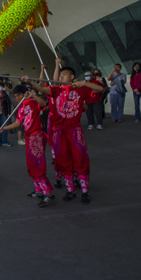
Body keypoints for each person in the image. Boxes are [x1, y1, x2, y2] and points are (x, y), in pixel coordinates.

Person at [27, 58, 103, 203]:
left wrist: (84, 83)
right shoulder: (56, 90)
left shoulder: (80, 89)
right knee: (63, 160)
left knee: (80, 159)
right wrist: (30, 82)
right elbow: (43, 89)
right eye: (60, 75)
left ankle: (85, 191)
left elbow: (100, 89)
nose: (61, 77)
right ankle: (70, 190)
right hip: (59, 131)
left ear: (72, 77)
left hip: (75, 130)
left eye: (64, 75)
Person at [0, 82, 52, 206]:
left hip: (37, 136)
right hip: (29, 137)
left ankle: (47, 193)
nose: (16, 98)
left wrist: (32, 95)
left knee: (38, 164)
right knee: (31, 164)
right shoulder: (20, 108)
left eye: (18, 95)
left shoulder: (33, 103)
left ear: (24, 94)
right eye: (15, 95)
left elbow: (44, 104)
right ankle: (38, 190)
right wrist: (3, 129)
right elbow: (18, 124)